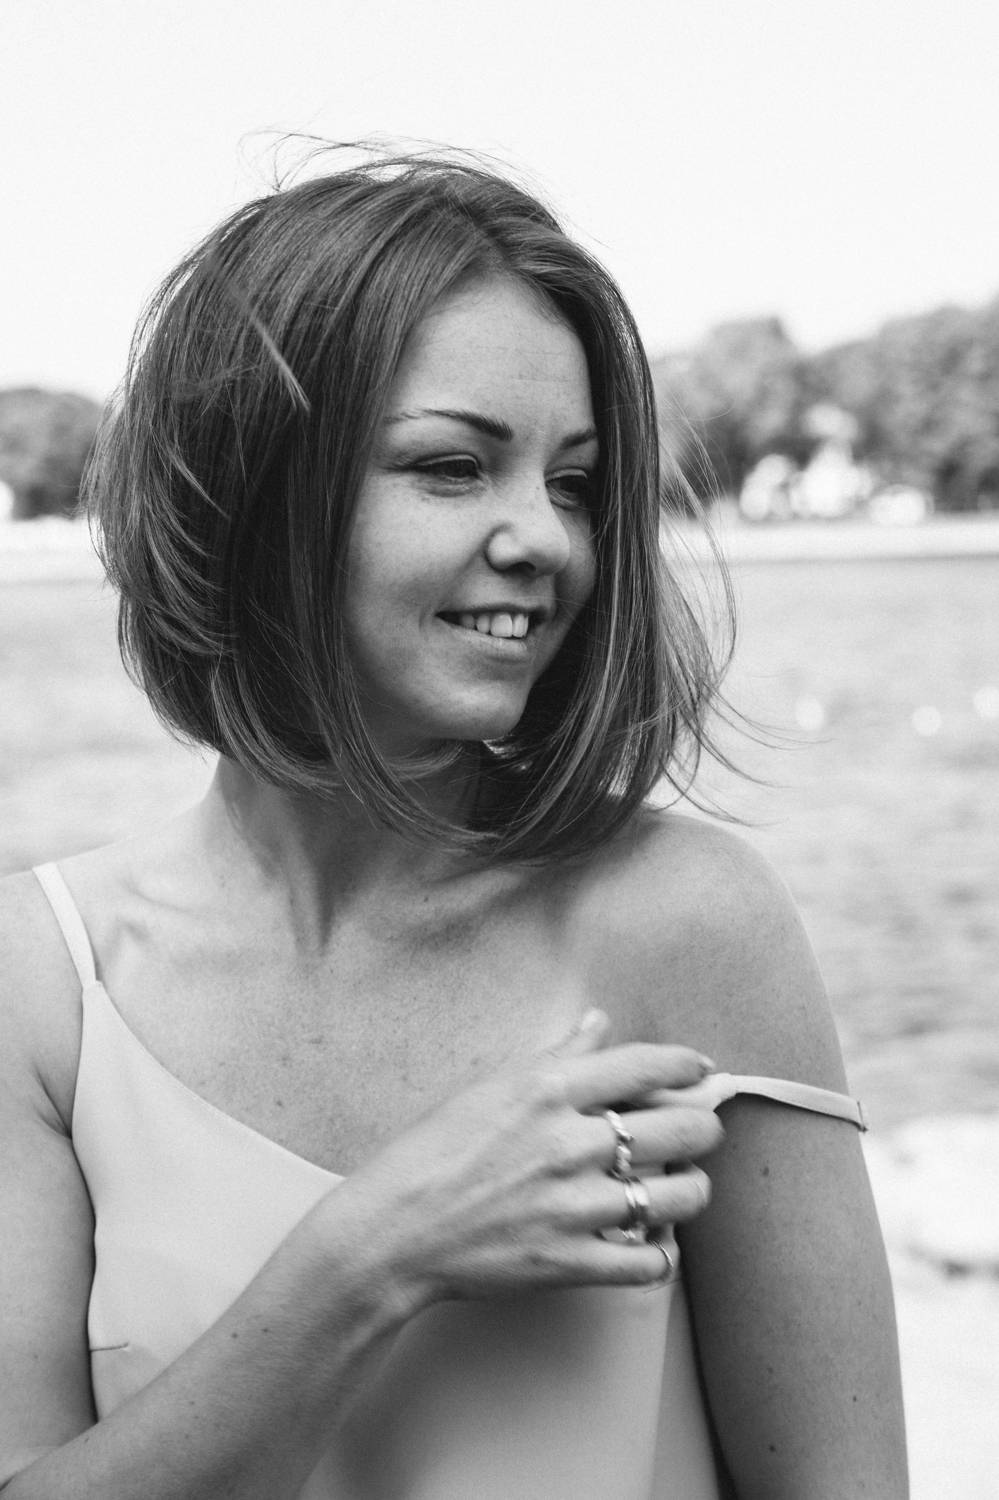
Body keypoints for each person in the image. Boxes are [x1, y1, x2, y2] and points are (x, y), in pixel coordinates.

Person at [0, 151, 907, 1499]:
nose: (546, 539)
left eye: (574, 483)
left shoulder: (686, 923)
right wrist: (367, 1256)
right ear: (249, 491)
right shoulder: (43, 981)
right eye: (452, 465)